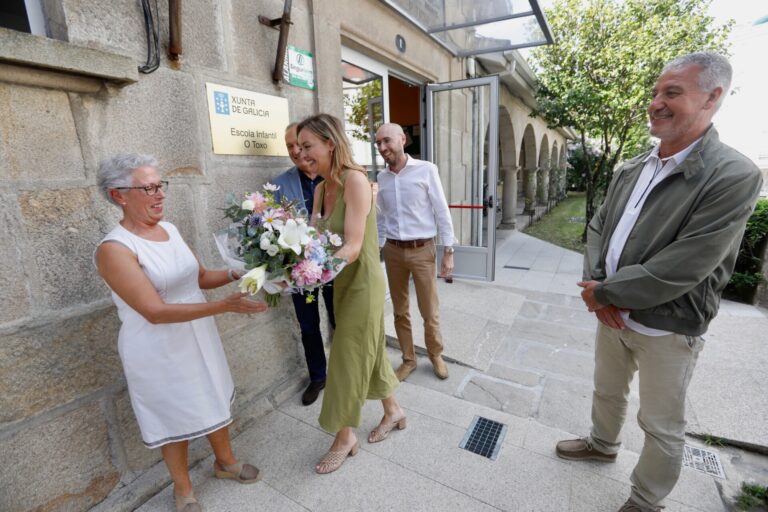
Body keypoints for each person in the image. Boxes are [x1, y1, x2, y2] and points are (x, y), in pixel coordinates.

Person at [556, 53, 763, 512]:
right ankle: (601, 444)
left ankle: (646, 499)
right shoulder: (634, 167)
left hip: (668, 326)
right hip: (610, 310)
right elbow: (598, 227)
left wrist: (605, 293)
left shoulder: (734, 175)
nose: (655, 103)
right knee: (606, 390)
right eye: (655, 92)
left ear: (712, 98)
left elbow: (686, 263)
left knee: (661, 423)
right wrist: (596, 288)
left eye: (672, 93)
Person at [95, 154, 268, 512]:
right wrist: (224, 306)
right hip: (157, 344)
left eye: (161, 185)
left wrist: (241, 272)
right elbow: (155, 312)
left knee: (211, 394)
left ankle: (225, 462)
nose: (159, 194)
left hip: (196, 331)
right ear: (119, 195)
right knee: (174, 413)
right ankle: (183, 488)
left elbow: (199, 278)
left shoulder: (169, 230)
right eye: (148, 188)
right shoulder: (114, 249)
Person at [297, 114, 405, 474]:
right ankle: (393, 411)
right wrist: (289, 265)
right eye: (298, 147)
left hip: (363, 282)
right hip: (338, 282)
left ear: (330, 143)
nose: (301, 153)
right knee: (369, 351)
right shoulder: (316, 189)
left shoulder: (356, 181)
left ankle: (345, 437)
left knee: (344, 355)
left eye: (308, 146)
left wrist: (312, 272)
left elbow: (355, 247)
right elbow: (312, 241)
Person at [374, 122, 455, 381]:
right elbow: (381, 218)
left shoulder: (426, 170)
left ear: (402, 139)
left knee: (429, 310)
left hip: (423, 250)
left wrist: (449, 250)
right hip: (394, 251)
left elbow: (441, 210)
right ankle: (408, 359)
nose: (382, 147)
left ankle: (435, 354)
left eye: (387, 140)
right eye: (378, 143)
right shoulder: (382, 178)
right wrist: (378, 247)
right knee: (400, 310)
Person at [272, 123, 336, 406]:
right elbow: (270, 227)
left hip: (336, 266)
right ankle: (318, 377)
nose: (296, 151)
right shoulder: (280, 183)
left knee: (341, 321)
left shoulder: (336, 178)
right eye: (289, 146)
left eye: (301, 144)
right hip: (300, 273)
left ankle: (346, 371)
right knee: (308, 326)